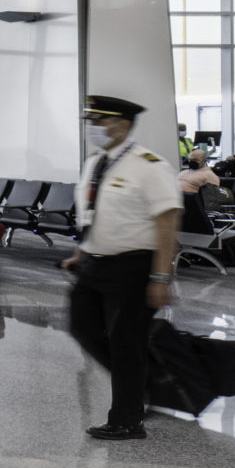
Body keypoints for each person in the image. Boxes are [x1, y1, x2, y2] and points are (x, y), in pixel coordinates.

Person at [61, 94, 180, 442]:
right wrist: (81, 253)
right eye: (92, 121)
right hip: (94, 264)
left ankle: (128, 420)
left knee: (125, 342)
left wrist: (161, 276)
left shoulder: (149, 165)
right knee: (83, 328)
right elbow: (93, 215)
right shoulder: (95, 164)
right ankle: (150, 382)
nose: (94, 127)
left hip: (134, 267)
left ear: (123, 125)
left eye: (100, 121)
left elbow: (167, 222)